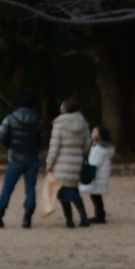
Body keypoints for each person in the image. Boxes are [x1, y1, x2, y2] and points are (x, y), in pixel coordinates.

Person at [0, 91, 50, 229]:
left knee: (7, 190)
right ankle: (27, 220)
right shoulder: (39, 121)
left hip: (15, 158)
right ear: (33, 104)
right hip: (32, 158)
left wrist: (10, 146)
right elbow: (45, 141)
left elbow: (1, 135)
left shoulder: (10, 118)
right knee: (30, 190)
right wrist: (36, 147)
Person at [46, 96, 92, 227]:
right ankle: (82, 217)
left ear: (65, 108)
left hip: (61, 162)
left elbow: (54, 146)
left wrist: (49, 163)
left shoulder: (59, 124)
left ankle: (70, 219)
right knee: (72, 188)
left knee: (63, 191)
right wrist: (80, 153)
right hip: (76, 161)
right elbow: (87, 144)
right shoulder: (83, 123)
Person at [76, 126, 115, 225]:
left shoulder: (99, 149)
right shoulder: (99, 147)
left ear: (100, 136)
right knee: (96, 196)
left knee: (96, 196)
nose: (92, 133)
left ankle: (100, 216)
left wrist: (86, 166)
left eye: (94, 132)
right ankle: (100, 215)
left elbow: (95, 163)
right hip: (100, 175)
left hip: (98, 176)